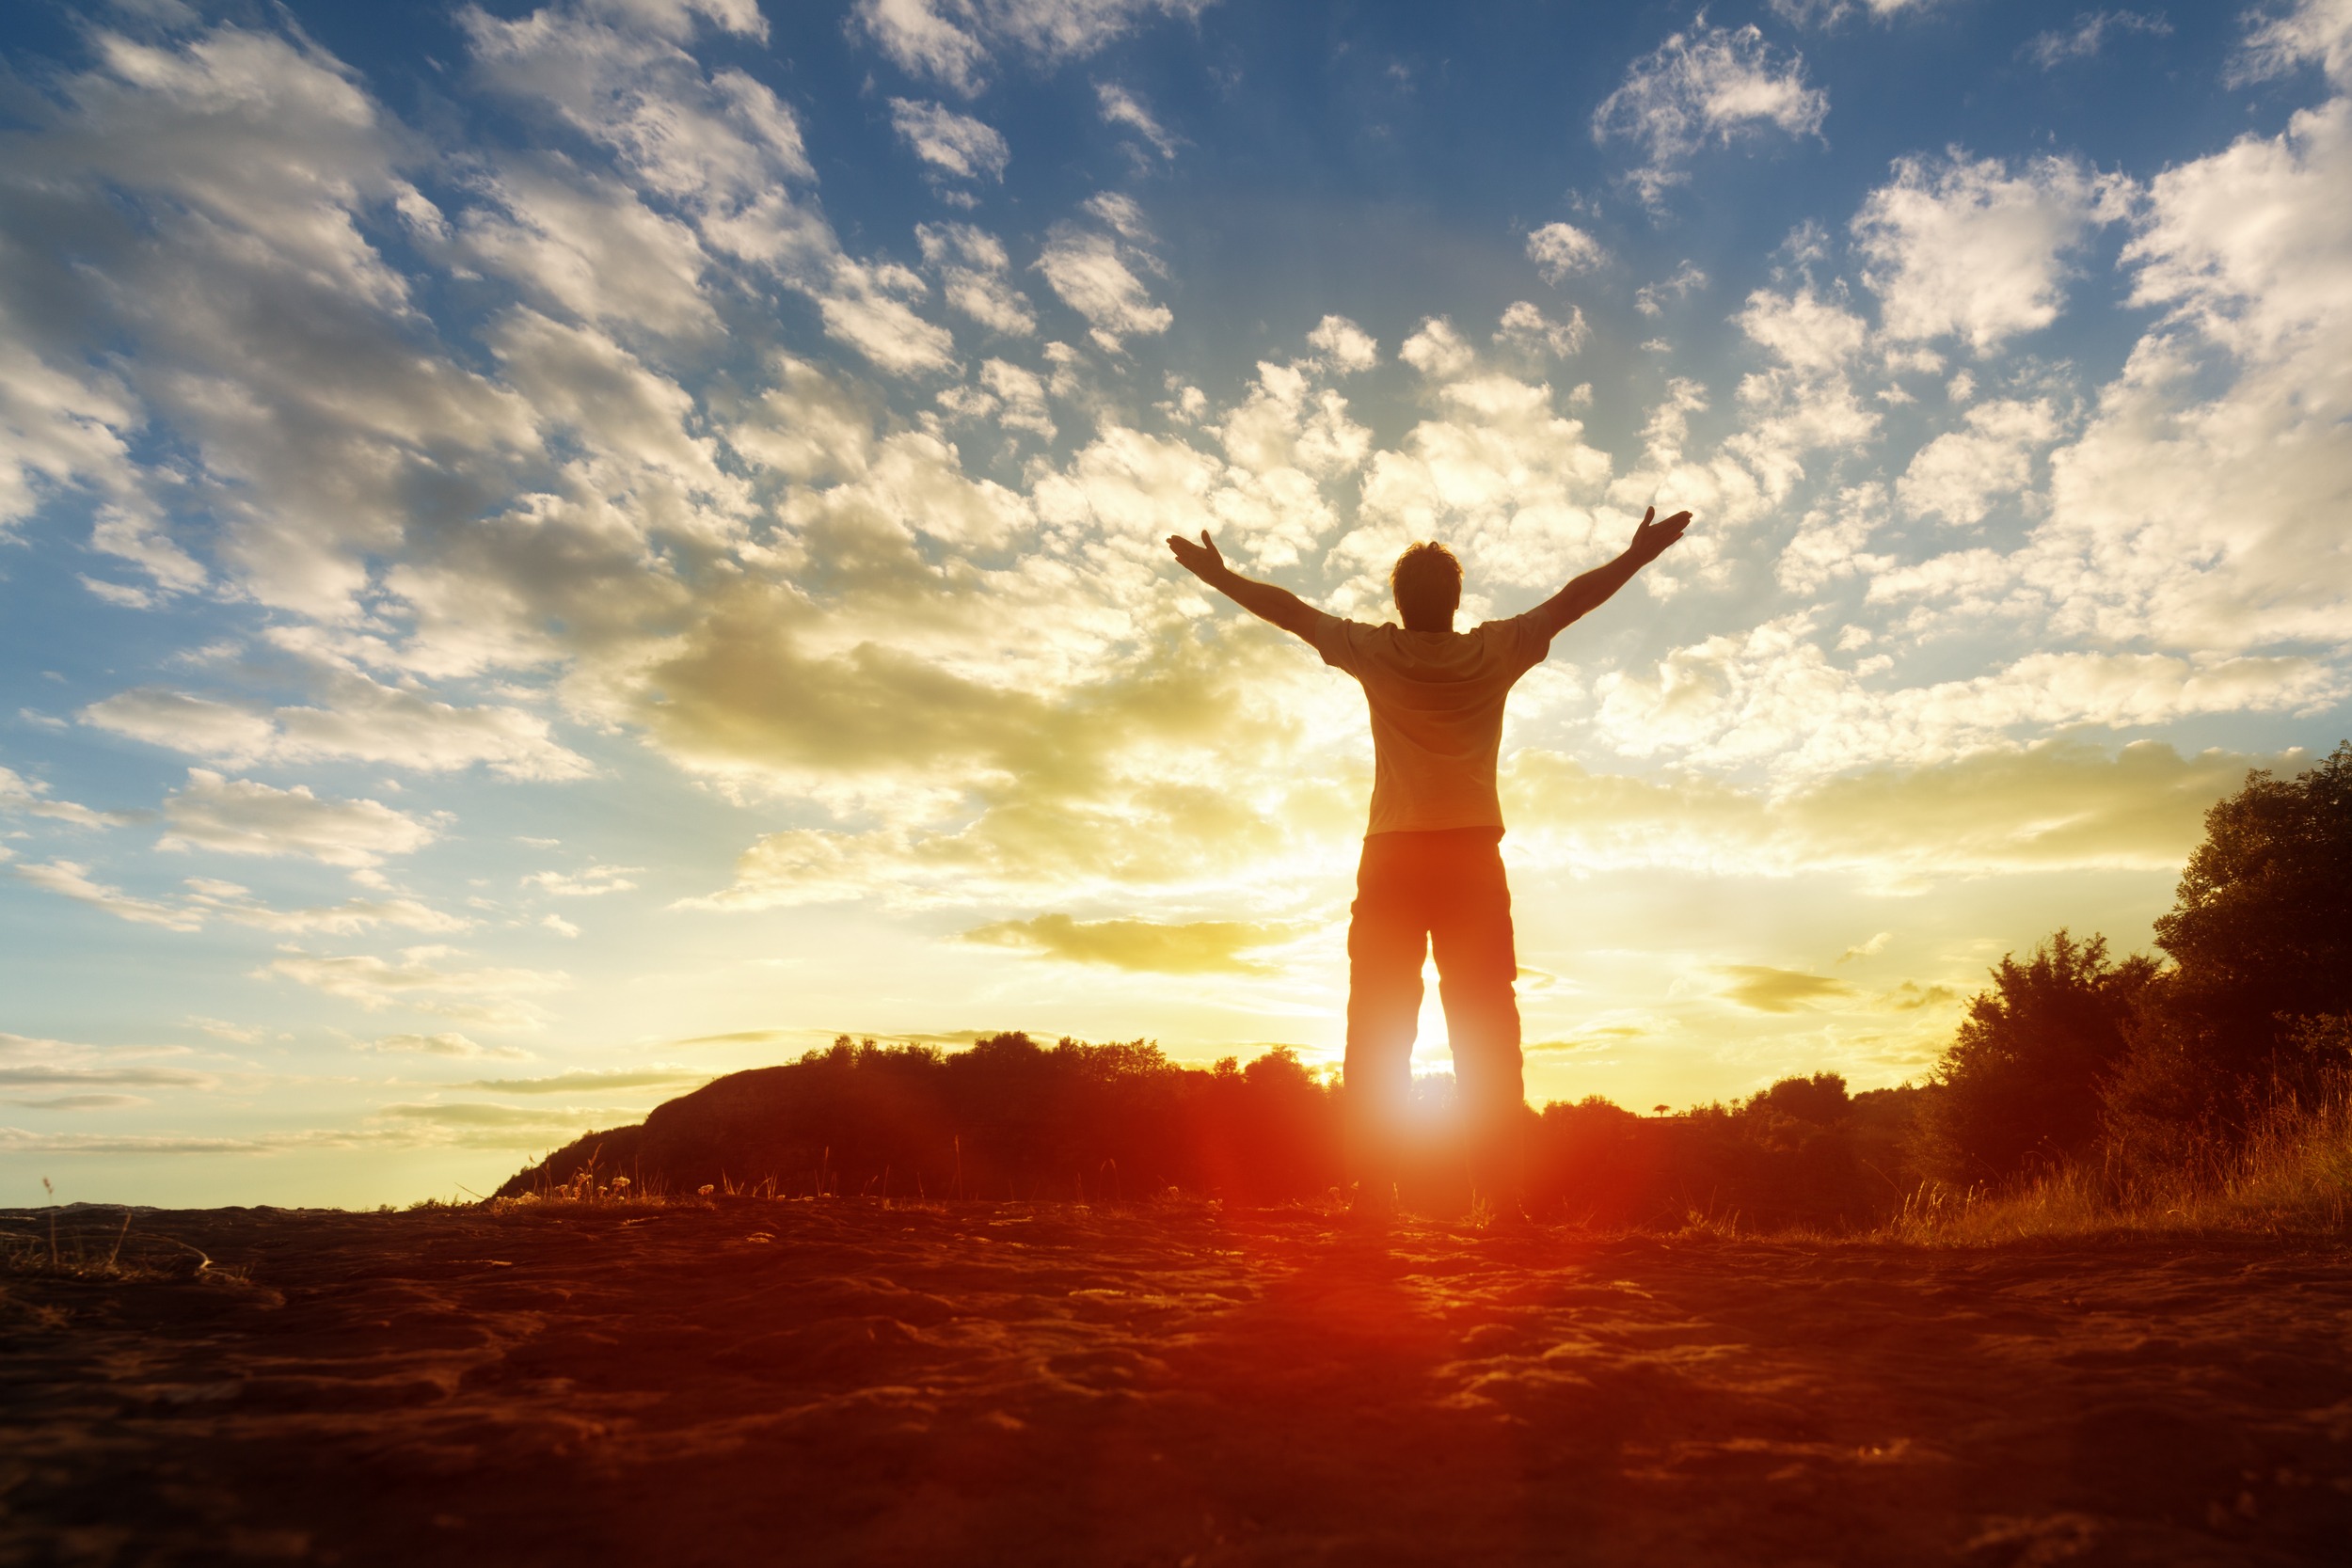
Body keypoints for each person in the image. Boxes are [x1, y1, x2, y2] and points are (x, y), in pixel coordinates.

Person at [1166, 507, 1693, 1216]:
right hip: (1470, 858)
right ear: (1456, 599)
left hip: (1392, 857)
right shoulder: (1497, 649)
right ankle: (1500, 1198)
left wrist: (1221, 576)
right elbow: (1573, 600)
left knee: (1378, 1021)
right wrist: (1636, 555)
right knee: (1487, 1026)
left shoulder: (1373, 649)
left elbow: (1289, 612)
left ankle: (1374, 1194)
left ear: (1399, 601)